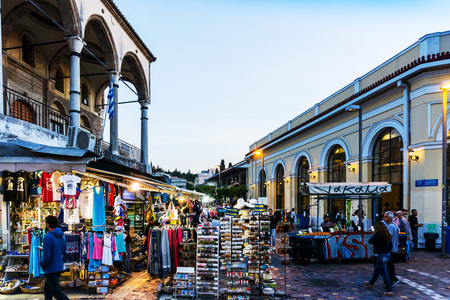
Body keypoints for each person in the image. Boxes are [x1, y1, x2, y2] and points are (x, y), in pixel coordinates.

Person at [40, 215, 69, 300]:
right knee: (48, 291)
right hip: (58, 265)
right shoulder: (61, 235)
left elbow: (47, 255)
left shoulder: (48, 237)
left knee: (56, 292)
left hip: (51, 267)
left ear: (48, 224)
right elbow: (64, 250)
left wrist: (42, 263)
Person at [364, 222, 393, 296]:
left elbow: (370, 241)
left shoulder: (378, 235)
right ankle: (370, 283)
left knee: (384, 273)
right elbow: (390, 247)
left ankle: (389, 290)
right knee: (377, 270)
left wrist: (374, 234)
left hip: (380, 256)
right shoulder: (388, 236)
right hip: (387, 255)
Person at [382, 211, 400, 288]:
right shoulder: (394, 225)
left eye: (385, 216)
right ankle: (390, 280)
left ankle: (393, 279)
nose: (384, 218)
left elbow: (388, 238)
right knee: (390, 265)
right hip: (394, 248)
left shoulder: (390, 226)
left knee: (388, 266)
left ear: (390, 218)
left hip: (391, 249)